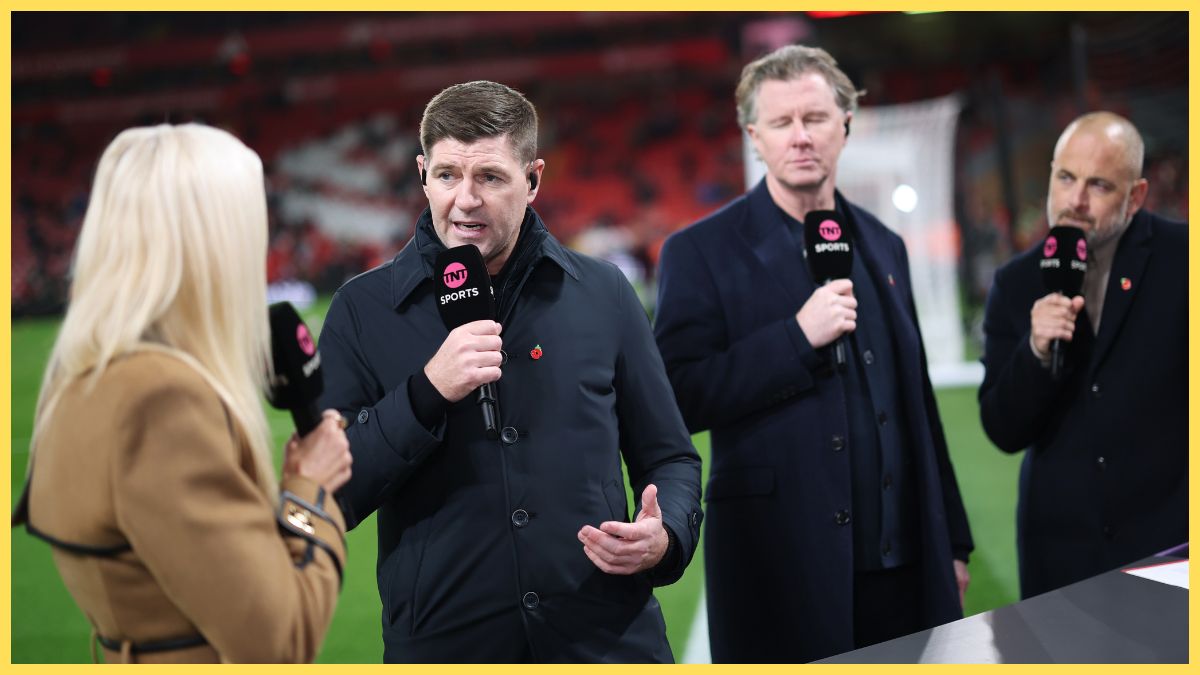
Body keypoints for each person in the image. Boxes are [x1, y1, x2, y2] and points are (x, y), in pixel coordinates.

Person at [318, 80, 702, 663]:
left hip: (606, 640)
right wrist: (426, 392)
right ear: (422, 174)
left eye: (490, 177)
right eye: (447, 175)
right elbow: (331, 495)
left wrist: (666, 534)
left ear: (533, 179)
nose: (465, 199)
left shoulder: (603, 293)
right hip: (447, 648)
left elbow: (671, 457)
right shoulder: (361, 310)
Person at [654, 45, 973, 663]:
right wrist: (795, 339)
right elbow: (677, 395)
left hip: (904, 568)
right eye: (782, 122)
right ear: (755, 136)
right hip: (782, 563)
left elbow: (919, 409)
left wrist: (951, 543)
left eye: (816, 118)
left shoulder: (884, 246)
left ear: (846, 126)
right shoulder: (699, 251)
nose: (801, 137)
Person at [12, 124, 353, 663]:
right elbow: (281, 640)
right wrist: (308, 490)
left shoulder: (82, 376)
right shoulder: (162, 401)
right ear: (212, 247)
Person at [978, 112, 1186, 598]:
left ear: (1135, 196)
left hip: (1171, 552)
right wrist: (1034, 351)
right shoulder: (1015, 283)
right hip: (1060, 558)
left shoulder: (1184, 259)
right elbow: (1002, 429)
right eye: (1066, 178)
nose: (1075, 200)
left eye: (1098, 185)